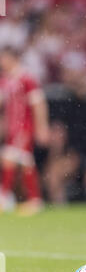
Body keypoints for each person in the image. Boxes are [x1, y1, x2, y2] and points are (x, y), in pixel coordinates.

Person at [0, 46, 50, 215]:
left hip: (24, 127)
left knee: (9, 158)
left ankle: (6, 198)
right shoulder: (6, 80)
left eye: (4, 58)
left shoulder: (27, 78)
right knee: (25, 161)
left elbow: (38, 103)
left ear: (13, 58)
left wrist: (42, 127)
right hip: (13, 128)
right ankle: (34, 200)